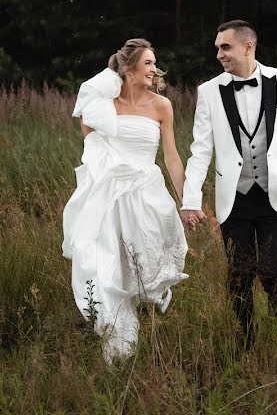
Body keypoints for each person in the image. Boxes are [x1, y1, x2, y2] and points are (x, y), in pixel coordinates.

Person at [180, 20, 277, 345]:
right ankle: (246, 341)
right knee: (238, 276)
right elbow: (200, 150)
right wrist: (190, 199)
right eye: (217, 49)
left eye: (226, 47)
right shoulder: (209, 92)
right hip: (234, 200)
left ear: (247, 47)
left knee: (272, 269)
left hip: (276, 195)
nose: (219, 54)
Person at [63, 38, 189, 362]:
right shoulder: (104, 107)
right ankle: (118, 346)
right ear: (129, 69)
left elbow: (172, 158)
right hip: (110, 196)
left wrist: (188, 201)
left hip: (147, 195)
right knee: (108, 268)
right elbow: (93, 148)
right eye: (147, 63)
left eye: (154, 63)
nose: (154, 69)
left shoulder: (162, 107)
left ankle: (150, 301)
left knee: (144, 267)